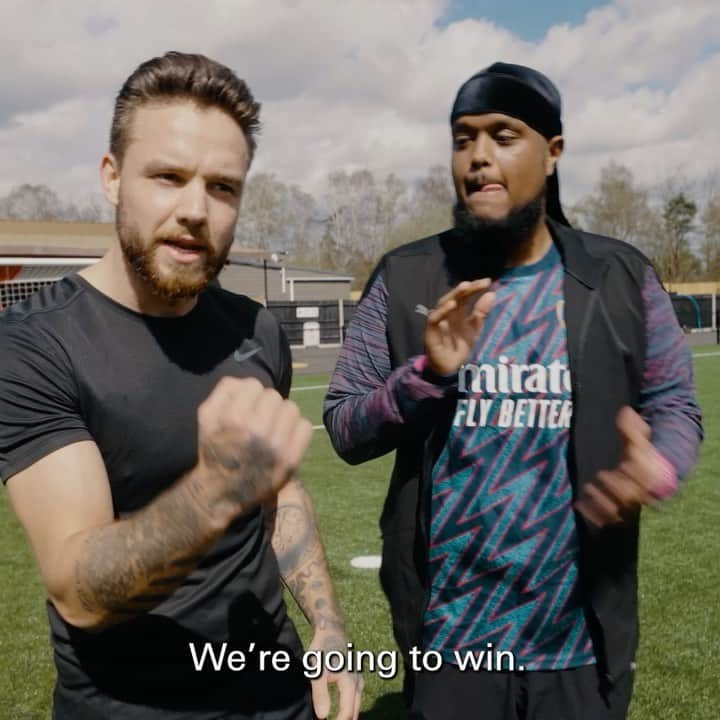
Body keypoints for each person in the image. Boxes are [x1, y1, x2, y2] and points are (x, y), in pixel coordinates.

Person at [323, 62, 702, 720]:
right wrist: (425, 379)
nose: (478, 157)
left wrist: (660, 464)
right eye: (463, 138)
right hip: (452, 645)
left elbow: (675, 406)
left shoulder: (619, 276)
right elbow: (344, 426)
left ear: (553, 152)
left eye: (503, 135)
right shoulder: (408, 278)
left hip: (578, 646)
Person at [0, 52, 361, 720]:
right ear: (112, 178)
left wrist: (329, 626)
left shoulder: (253, 328)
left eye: (222, 187)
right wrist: (212, 495)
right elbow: (78, 589)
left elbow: (277, 489)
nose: (196, 209)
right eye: (168, 177)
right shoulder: (36, 345)